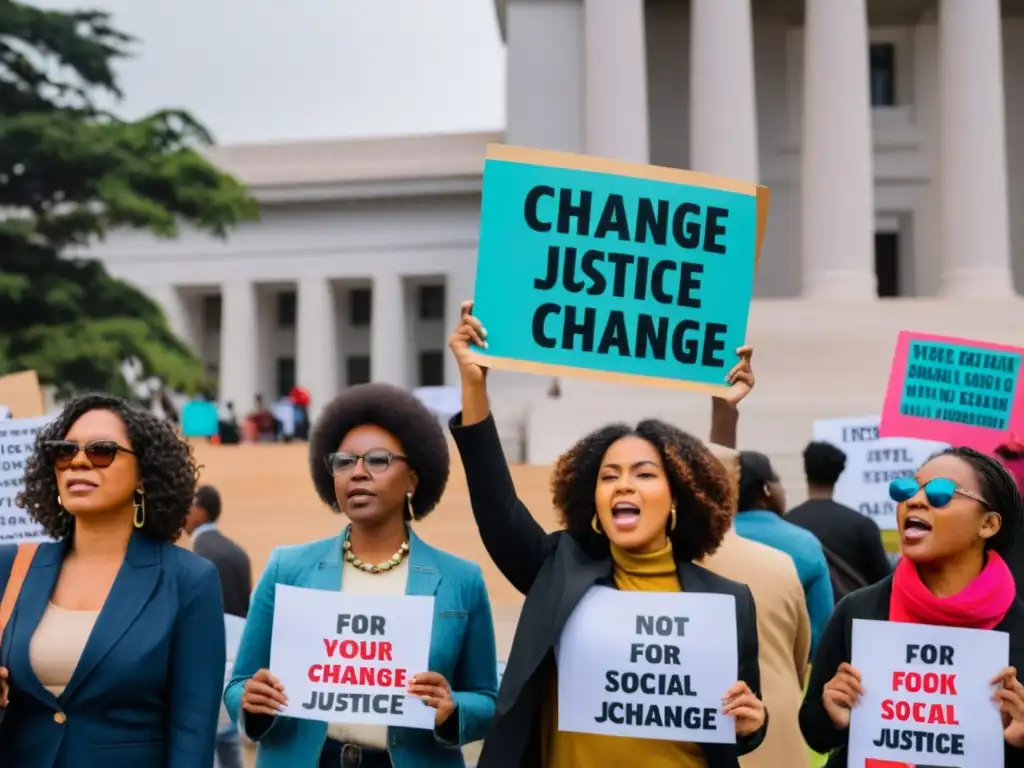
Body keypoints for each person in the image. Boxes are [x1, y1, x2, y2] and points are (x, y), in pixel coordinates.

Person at [447, 301, 767, 768]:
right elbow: (498, 509)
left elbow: (737, 727)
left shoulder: (728, 602)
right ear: (592, 501)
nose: (624, 485)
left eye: (644, 474)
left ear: (676, 498)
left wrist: (754, 722)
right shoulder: (557, 568)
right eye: (609, 475)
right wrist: (474, 385)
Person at [225, 383, 498, 768]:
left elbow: (487, 697)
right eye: (344, 462)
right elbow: (239, 685)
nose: (358, 473)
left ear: (413, 480)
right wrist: (252, 702)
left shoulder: (460, 579)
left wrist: (452, 709)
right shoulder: (287, 569)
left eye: (377, 460)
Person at [0, 393, 226, 767]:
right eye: (64, 451)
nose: (79, 462)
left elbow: (192, 733)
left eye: (102, 451)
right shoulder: (11, 566)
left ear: (143, 475)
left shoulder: (189, 580)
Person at [801, 447, 1024, 766]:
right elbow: (815, 733)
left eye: (940, 493)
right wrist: (832, 713)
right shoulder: (859, 610)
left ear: (988, 524)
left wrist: (1019, 739)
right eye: (907, 488)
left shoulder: (1017, 627)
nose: (915, 501)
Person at [702, 391, 812, 768]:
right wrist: (725, 412)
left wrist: (725, 413)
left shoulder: (662, 564)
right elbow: (801, 662)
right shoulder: (784, 562)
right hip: (776, 741)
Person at [736, 451, 834, 654]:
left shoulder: (705, 540)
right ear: (767, 489)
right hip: (781, 669)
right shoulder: (804, 543)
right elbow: (822, 629)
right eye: (779, 482)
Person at [186, 485, 252, 768]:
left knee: (207, 741)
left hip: (212, 656)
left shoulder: (201, 553)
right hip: (239, 658)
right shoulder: (236, 550)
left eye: (188, 507)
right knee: (227, 739)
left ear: (200, 510)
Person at [786, 441, 891, 600]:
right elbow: (883, 583)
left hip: (803, 617)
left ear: (806, 470)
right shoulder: (862, 525)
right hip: (850, 617)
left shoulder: (787, 523)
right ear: (838, 474)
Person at [187, 485, 252, 619]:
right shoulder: (239, 552)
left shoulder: (198, 554)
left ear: (201, 512)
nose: (185, 513)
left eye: (189, 506)